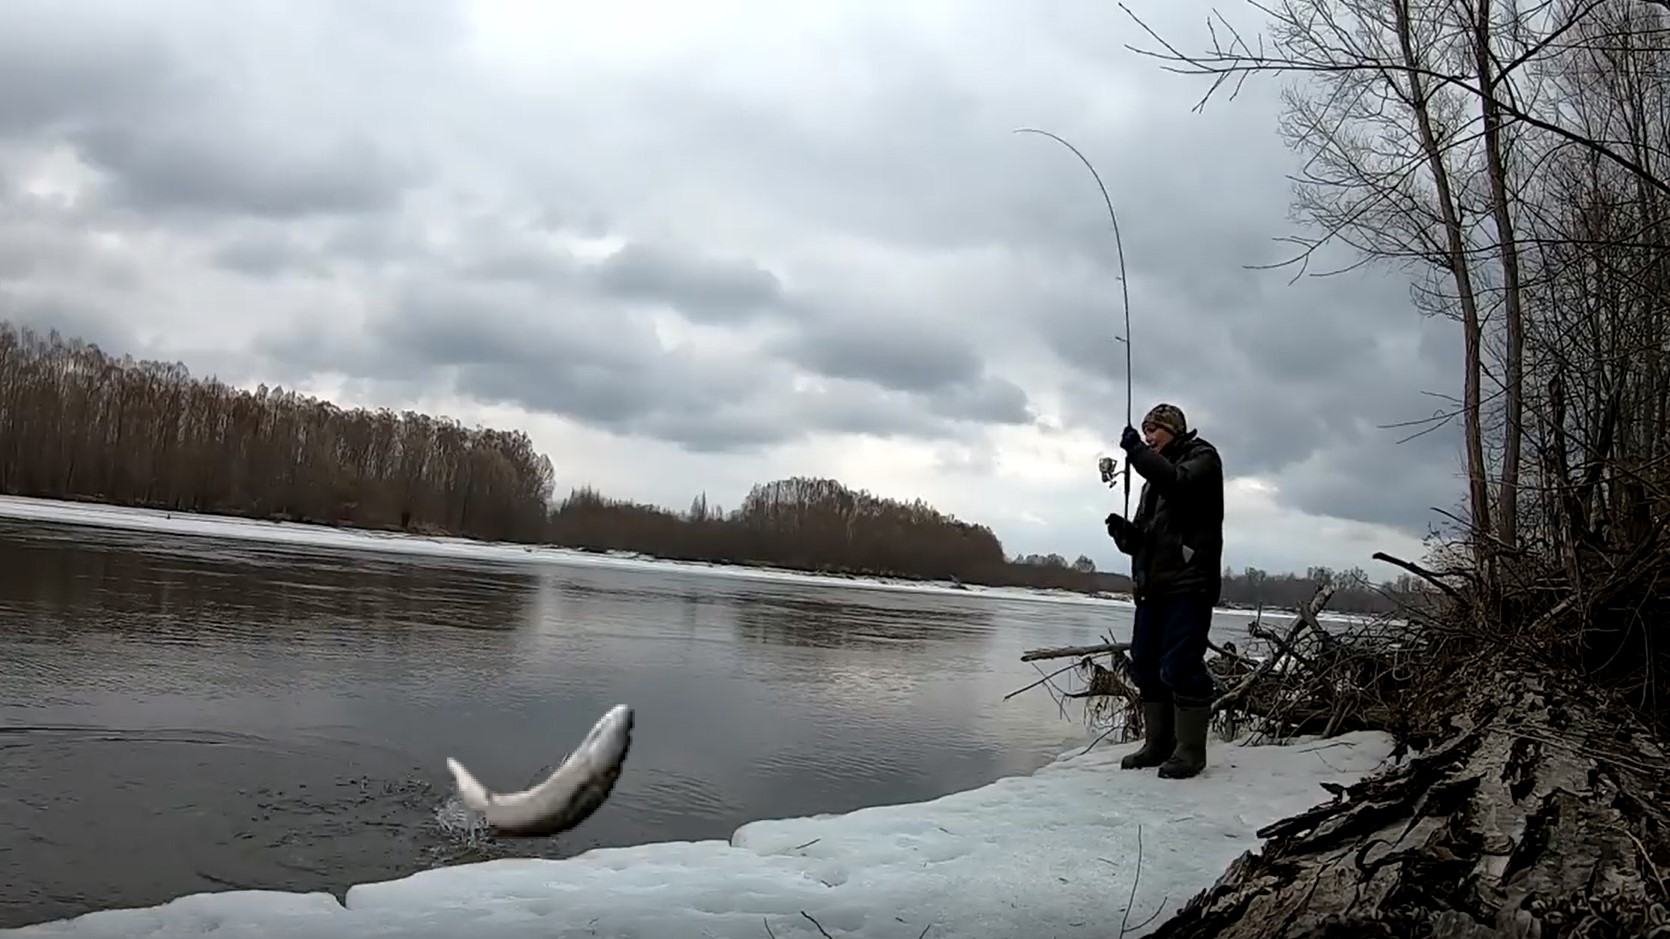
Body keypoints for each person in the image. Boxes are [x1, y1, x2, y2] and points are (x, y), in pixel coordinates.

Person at [1103, 403, 1224, 779]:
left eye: (1153, 430)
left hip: (1189, 584)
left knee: (1180, 665)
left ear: (1174, 430)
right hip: (1152, 588)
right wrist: (1129, 538)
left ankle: (1190, 752)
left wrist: (1136, 451)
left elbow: (1178, 483)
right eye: (1144, 431)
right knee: (1145, 664)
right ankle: (1158, 743)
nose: (1148, 437)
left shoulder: (1202, 458)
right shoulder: (1151, 481)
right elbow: (1149, 535)